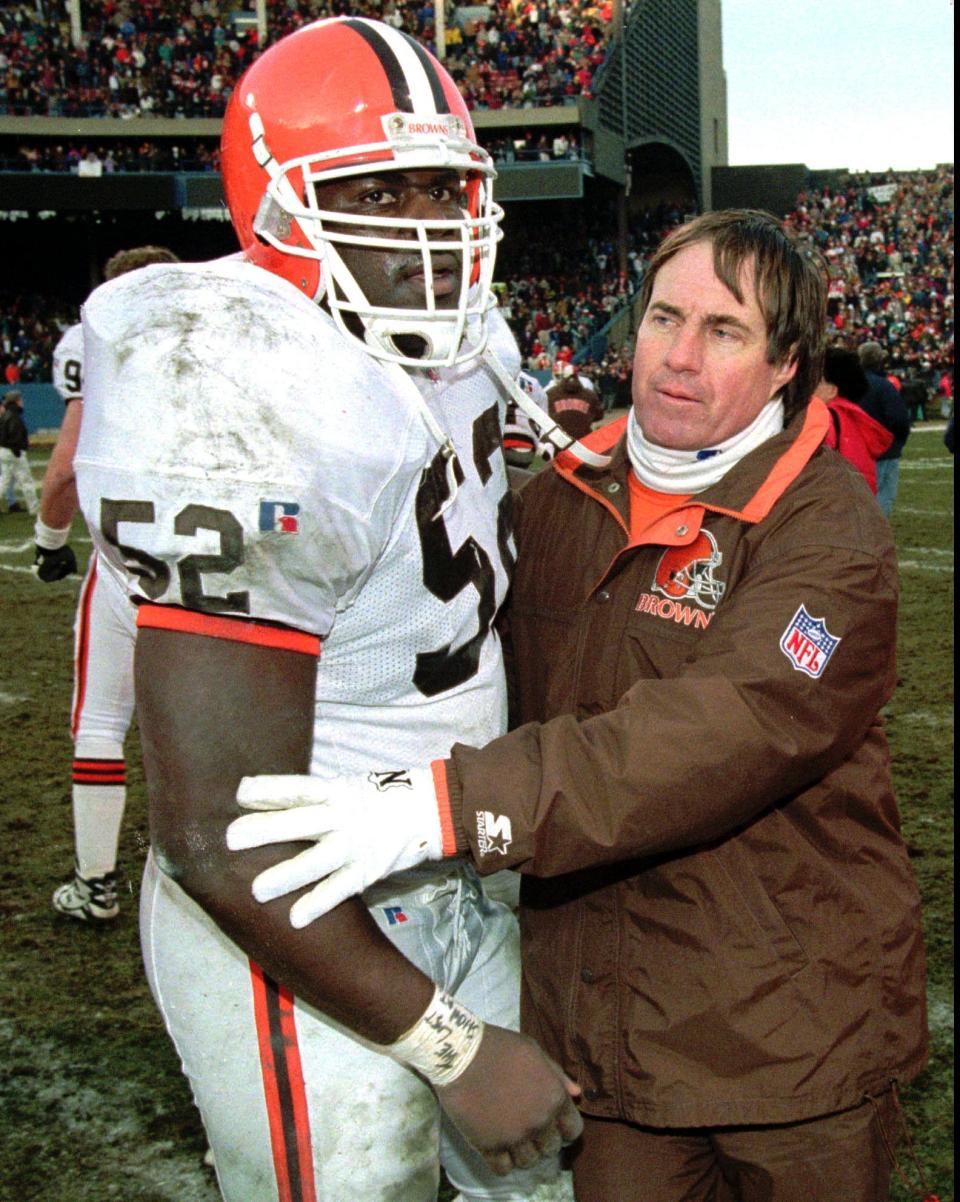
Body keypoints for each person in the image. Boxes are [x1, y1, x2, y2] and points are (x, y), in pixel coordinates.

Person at [231, 210, 929, 1202]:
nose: (678, 357)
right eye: (662, 317)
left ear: (786, 366)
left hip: (790, 1032)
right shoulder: (554, 499)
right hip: (603, 1031)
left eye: (723, 331)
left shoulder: (830, 534)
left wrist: (446, 801)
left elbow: (732, 726)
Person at [73, 17, 579, 1202]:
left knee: (550, 1177)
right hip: (303, 907)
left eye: (442, 188)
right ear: (280, 206)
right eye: (377, 190)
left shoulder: (465, 339)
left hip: (456, 858)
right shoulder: (235, 379)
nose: (426, 230)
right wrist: (448, 1046)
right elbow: (213, 832)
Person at [39, 246, 180, 923]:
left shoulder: (93, 335)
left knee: (100, 721)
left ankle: (96, 883)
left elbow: (65, 468)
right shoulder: (217, 333)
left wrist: (48, 542)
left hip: (126, 554)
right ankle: (217, 885)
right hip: (213, 552)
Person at [813, 346, 892, 495]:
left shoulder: (826, 418)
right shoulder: (853, 416)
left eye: (817, 381)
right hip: (858, 501)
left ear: (832, 390)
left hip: (833, 502)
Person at [857, 340, 911, 518]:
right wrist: (897, 442)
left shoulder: (851, 385)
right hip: (884, 451)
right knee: (883, 497)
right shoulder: (884, 386)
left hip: (857, 450)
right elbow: (899, 419)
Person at [0, 389, 39, 514]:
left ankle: (34, 507)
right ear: (16, 401)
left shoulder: (6, 415)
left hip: (4, 451)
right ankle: (34, 508)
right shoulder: (14, 416)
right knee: (26, 481)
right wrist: (17, 450)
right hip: (14, 452)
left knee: (4, 481)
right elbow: (15, 435)